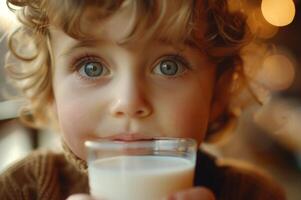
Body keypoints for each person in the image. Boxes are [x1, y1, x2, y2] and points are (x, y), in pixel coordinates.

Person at [0, 0, 286, 199]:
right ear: (50, 91)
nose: (128, 102)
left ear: (217, 94)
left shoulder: (254, 194)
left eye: (168, 66)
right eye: (92, 67)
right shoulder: (19, 191)